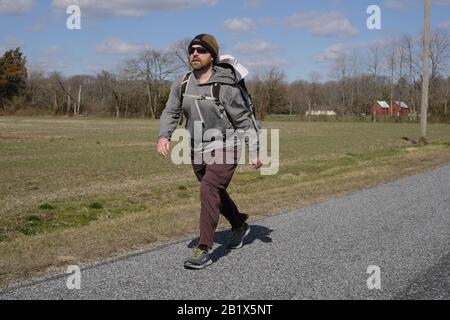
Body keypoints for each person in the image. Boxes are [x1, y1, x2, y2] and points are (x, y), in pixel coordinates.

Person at [156, 34, 262, 270]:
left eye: (201, 50)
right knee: (215, 192)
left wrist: (254, 151)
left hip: (226, 144)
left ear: (212, 56)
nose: (195, 53)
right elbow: (171, 111)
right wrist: (164, 135)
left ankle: (203, 247)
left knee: (209, 188)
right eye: (192, 50)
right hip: (197, 147)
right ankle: (238, 224)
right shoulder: (182, 83)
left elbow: (243, 120)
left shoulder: (225, 86)